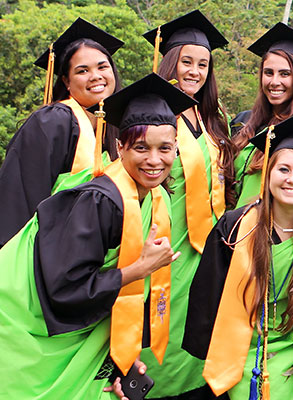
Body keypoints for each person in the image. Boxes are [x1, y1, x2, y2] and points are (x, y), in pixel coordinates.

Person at [0, 74, 195, 399]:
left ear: (177, 148)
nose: (154, 160)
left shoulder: (155, 197)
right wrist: (139, 269)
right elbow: (65, 288)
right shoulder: (101, 200)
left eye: (165, 149)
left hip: (82, 330)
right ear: (119, 147)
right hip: (26, 322)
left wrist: (123, 358)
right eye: (141, 148)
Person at [183, 111, 293, 399]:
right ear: (268, 173)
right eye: (283, 170)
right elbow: (207, 295)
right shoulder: (235, 226)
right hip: (244, 351)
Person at [138, 11, 236, 398]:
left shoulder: (211, 115)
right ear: (170, 61)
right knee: (161, 315)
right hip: (166, 235)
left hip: (207, 242)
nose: (194, 71)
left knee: (198, 318)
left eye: (203, 64)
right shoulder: (153, 110)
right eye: (186, 61)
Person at [0, 18, 123, 246]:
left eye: (102, 66)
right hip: (47, 257)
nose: (95, 76)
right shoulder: (53, 121)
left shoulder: (115, 128)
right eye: (82, 71)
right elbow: (19, 197)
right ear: (66, 81)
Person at [231, 23, 293, 207]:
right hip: (231, 226)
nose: (275, 82)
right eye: (269, 73)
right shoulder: (243, 122)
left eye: (285, 74)